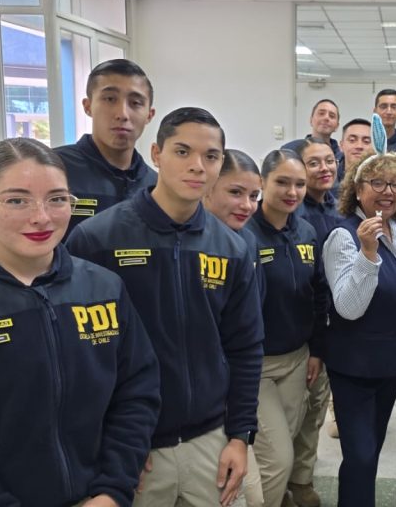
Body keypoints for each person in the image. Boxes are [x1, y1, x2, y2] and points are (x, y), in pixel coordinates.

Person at [0, 138, 161, 507]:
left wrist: (112, 490)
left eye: (57, 199)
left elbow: (137, 393)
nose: (41, 216)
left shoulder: (104, 288)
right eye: (17, 200)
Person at [66, 107, 264, 507]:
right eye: (182, 152)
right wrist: (113, 448)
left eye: (211, 157)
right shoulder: (97, 240)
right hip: (134, 445)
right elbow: (81, 358)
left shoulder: (231, 248)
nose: (197, 166)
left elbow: (245, 348)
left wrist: (240, 437)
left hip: (211, 435)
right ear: (156, 154)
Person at [323, 117, 396, 506]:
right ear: (357, 189)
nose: (388, 192)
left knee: (371, 452)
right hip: (353, 365)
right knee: (360, 456)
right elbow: (348, 307)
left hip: (388, 364)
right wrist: (368, 255)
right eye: (377, 183)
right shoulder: (343, 236)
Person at [0, 59, 158, 259]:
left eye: (135, 103)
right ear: (88, 106)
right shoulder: (49, 170)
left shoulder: (155, 186)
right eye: (110, 99)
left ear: (149, 114)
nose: (122, 114)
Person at [242, 150, 328, 507]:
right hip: (256, 363)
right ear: (262, 183)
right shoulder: (244, 233)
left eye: (299, 184)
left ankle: (276, 497)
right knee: (276, 455)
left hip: (297, 358)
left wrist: (317, 351)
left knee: (287, 444)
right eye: (282, 182)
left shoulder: (306, 231)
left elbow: (319, 293)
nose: (292, 191)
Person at [203, 149, 267, 507]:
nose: (247, 205)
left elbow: (246, 332)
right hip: (198, 402)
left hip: (234, 392)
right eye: (235, 193)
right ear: (208, 188)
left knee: (251, 496)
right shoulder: (192, 244)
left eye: (254, 196)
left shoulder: (245, 241)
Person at [288, 138, 343, 507]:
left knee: (314, 407)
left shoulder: (337, 207)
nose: (324, 168)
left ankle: (301, 479)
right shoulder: (293, 215)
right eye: (313, 163)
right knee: (292, 412)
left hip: (329, 325)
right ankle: (280, 479)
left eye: (329, 161)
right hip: (295, 329)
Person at [335, 118, 374, 187]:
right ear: (341, 146)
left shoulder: (382, 179)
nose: (359, 146)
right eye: (352, 140)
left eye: (366, 141)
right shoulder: (328, 178)